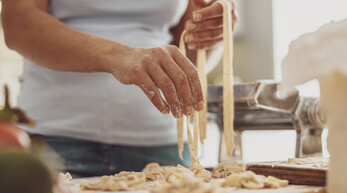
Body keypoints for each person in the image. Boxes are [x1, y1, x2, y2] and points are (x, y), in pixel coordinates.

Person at [1, 0, 237, 177]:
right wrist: (121, 57)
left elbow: (188, 54)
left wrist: (211, 35)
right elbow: (18, 24)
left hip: (164, 148)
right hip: (56, 144)